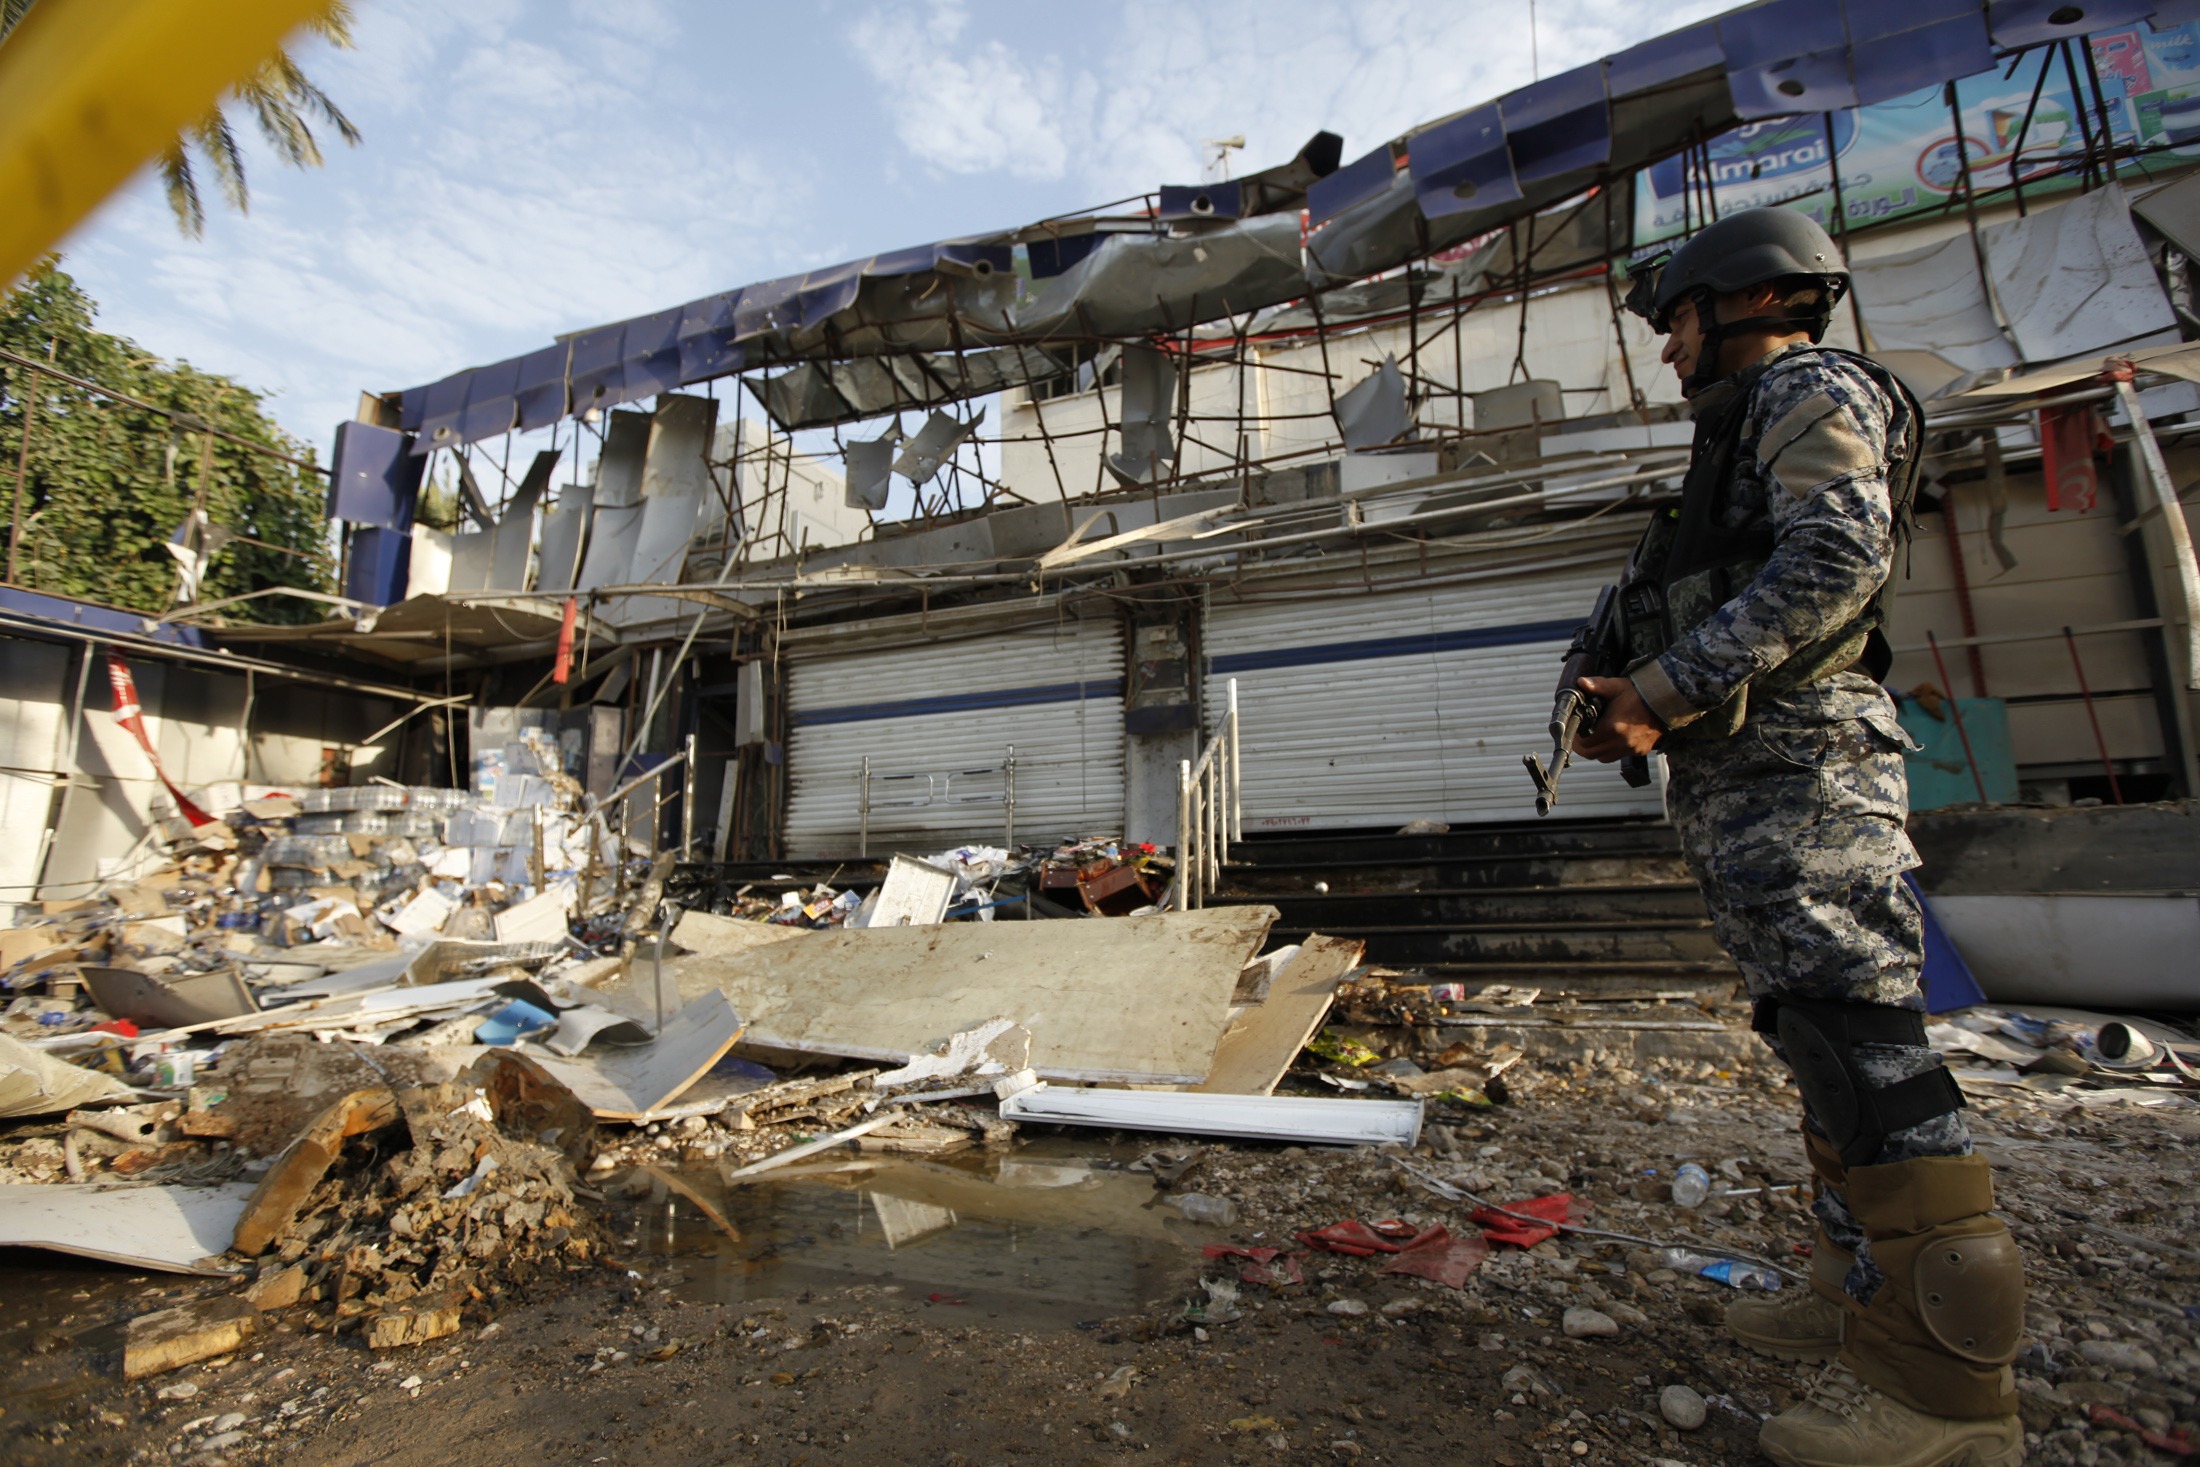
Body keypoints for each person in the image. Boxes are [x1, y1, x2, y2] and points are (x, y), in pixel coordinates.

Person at [1571, 208, 2025, 1467]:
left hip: (1808, 774)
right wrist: (1634, 699)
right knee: (1815, 1039)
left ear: (1736, 301)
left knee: (1868, 1049)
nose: (1665, 349)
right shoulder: (1741, 431)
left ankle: (1944, 1393)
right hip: (1751, 781)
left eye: (1672, 320)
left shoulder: (1809, 388)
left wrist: (1662, 690)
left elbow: (1837, 557)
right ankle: (1858, 1298)